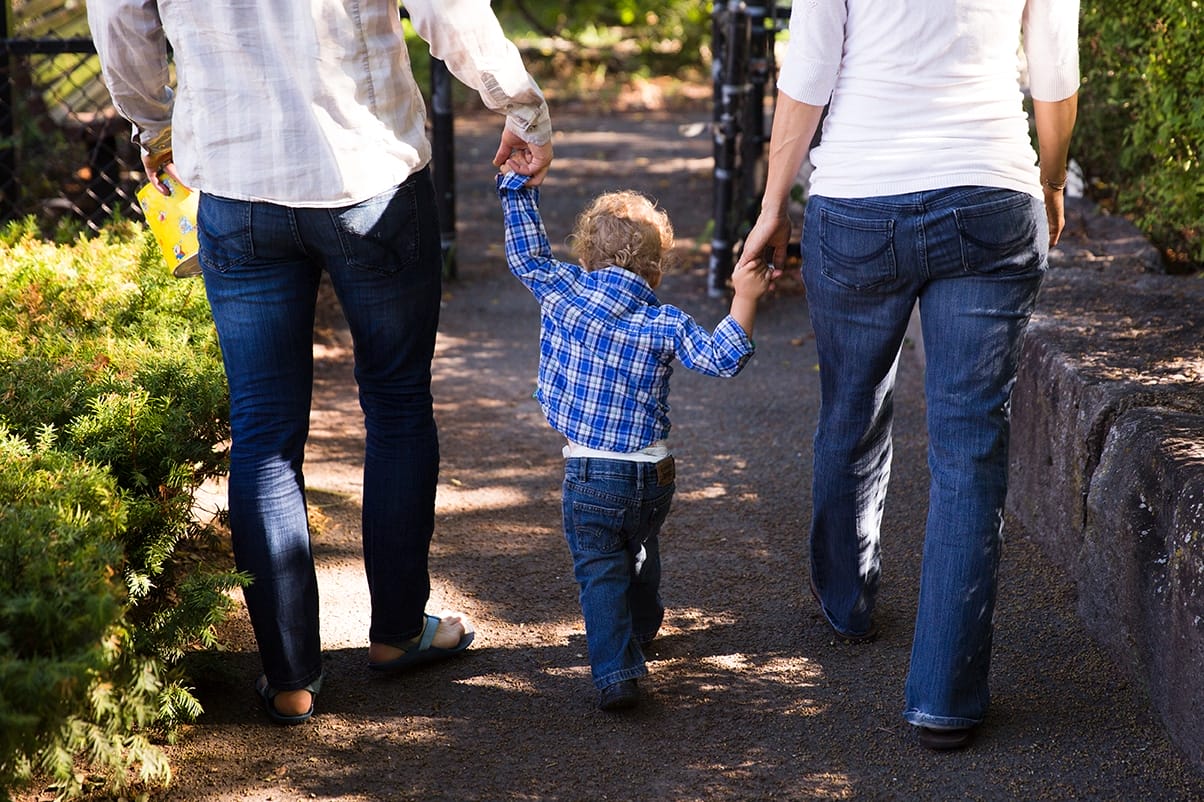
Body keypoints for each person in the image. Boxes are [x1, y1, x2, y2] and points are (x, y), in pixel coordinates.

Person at [87, 0, 554, 725]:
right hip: (371, 177)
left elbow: (119, 17)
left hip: (237, 187)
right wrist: (518, 101)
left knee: (263, 433)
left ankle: (290, 675)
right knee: (397, 406)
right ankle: (398, 632)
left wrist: (152, 121)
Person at [736, 1, 1079, 749]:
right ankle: (947, 698)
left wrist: (771, 208)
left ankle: (847, 600)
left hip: (859, 199)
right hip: (990, 195)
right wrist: (1050, 183)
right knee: (969, 448)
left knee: (851, 407)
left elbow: (809, 73)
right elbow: (1055, 71)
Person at [496, 164, 777, 711]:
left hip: (591, 473)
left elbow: (525, 253)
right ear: (656, 272)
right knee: (640, 543)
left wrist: (518, 187)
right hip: (653, 475)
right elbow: (723, 359)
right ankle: (643, 625)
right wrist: (745, 296)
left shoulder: (562, 289)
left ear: (585, 257)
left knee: (600, 567)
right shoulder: (666, 321)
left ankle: (618, 673)